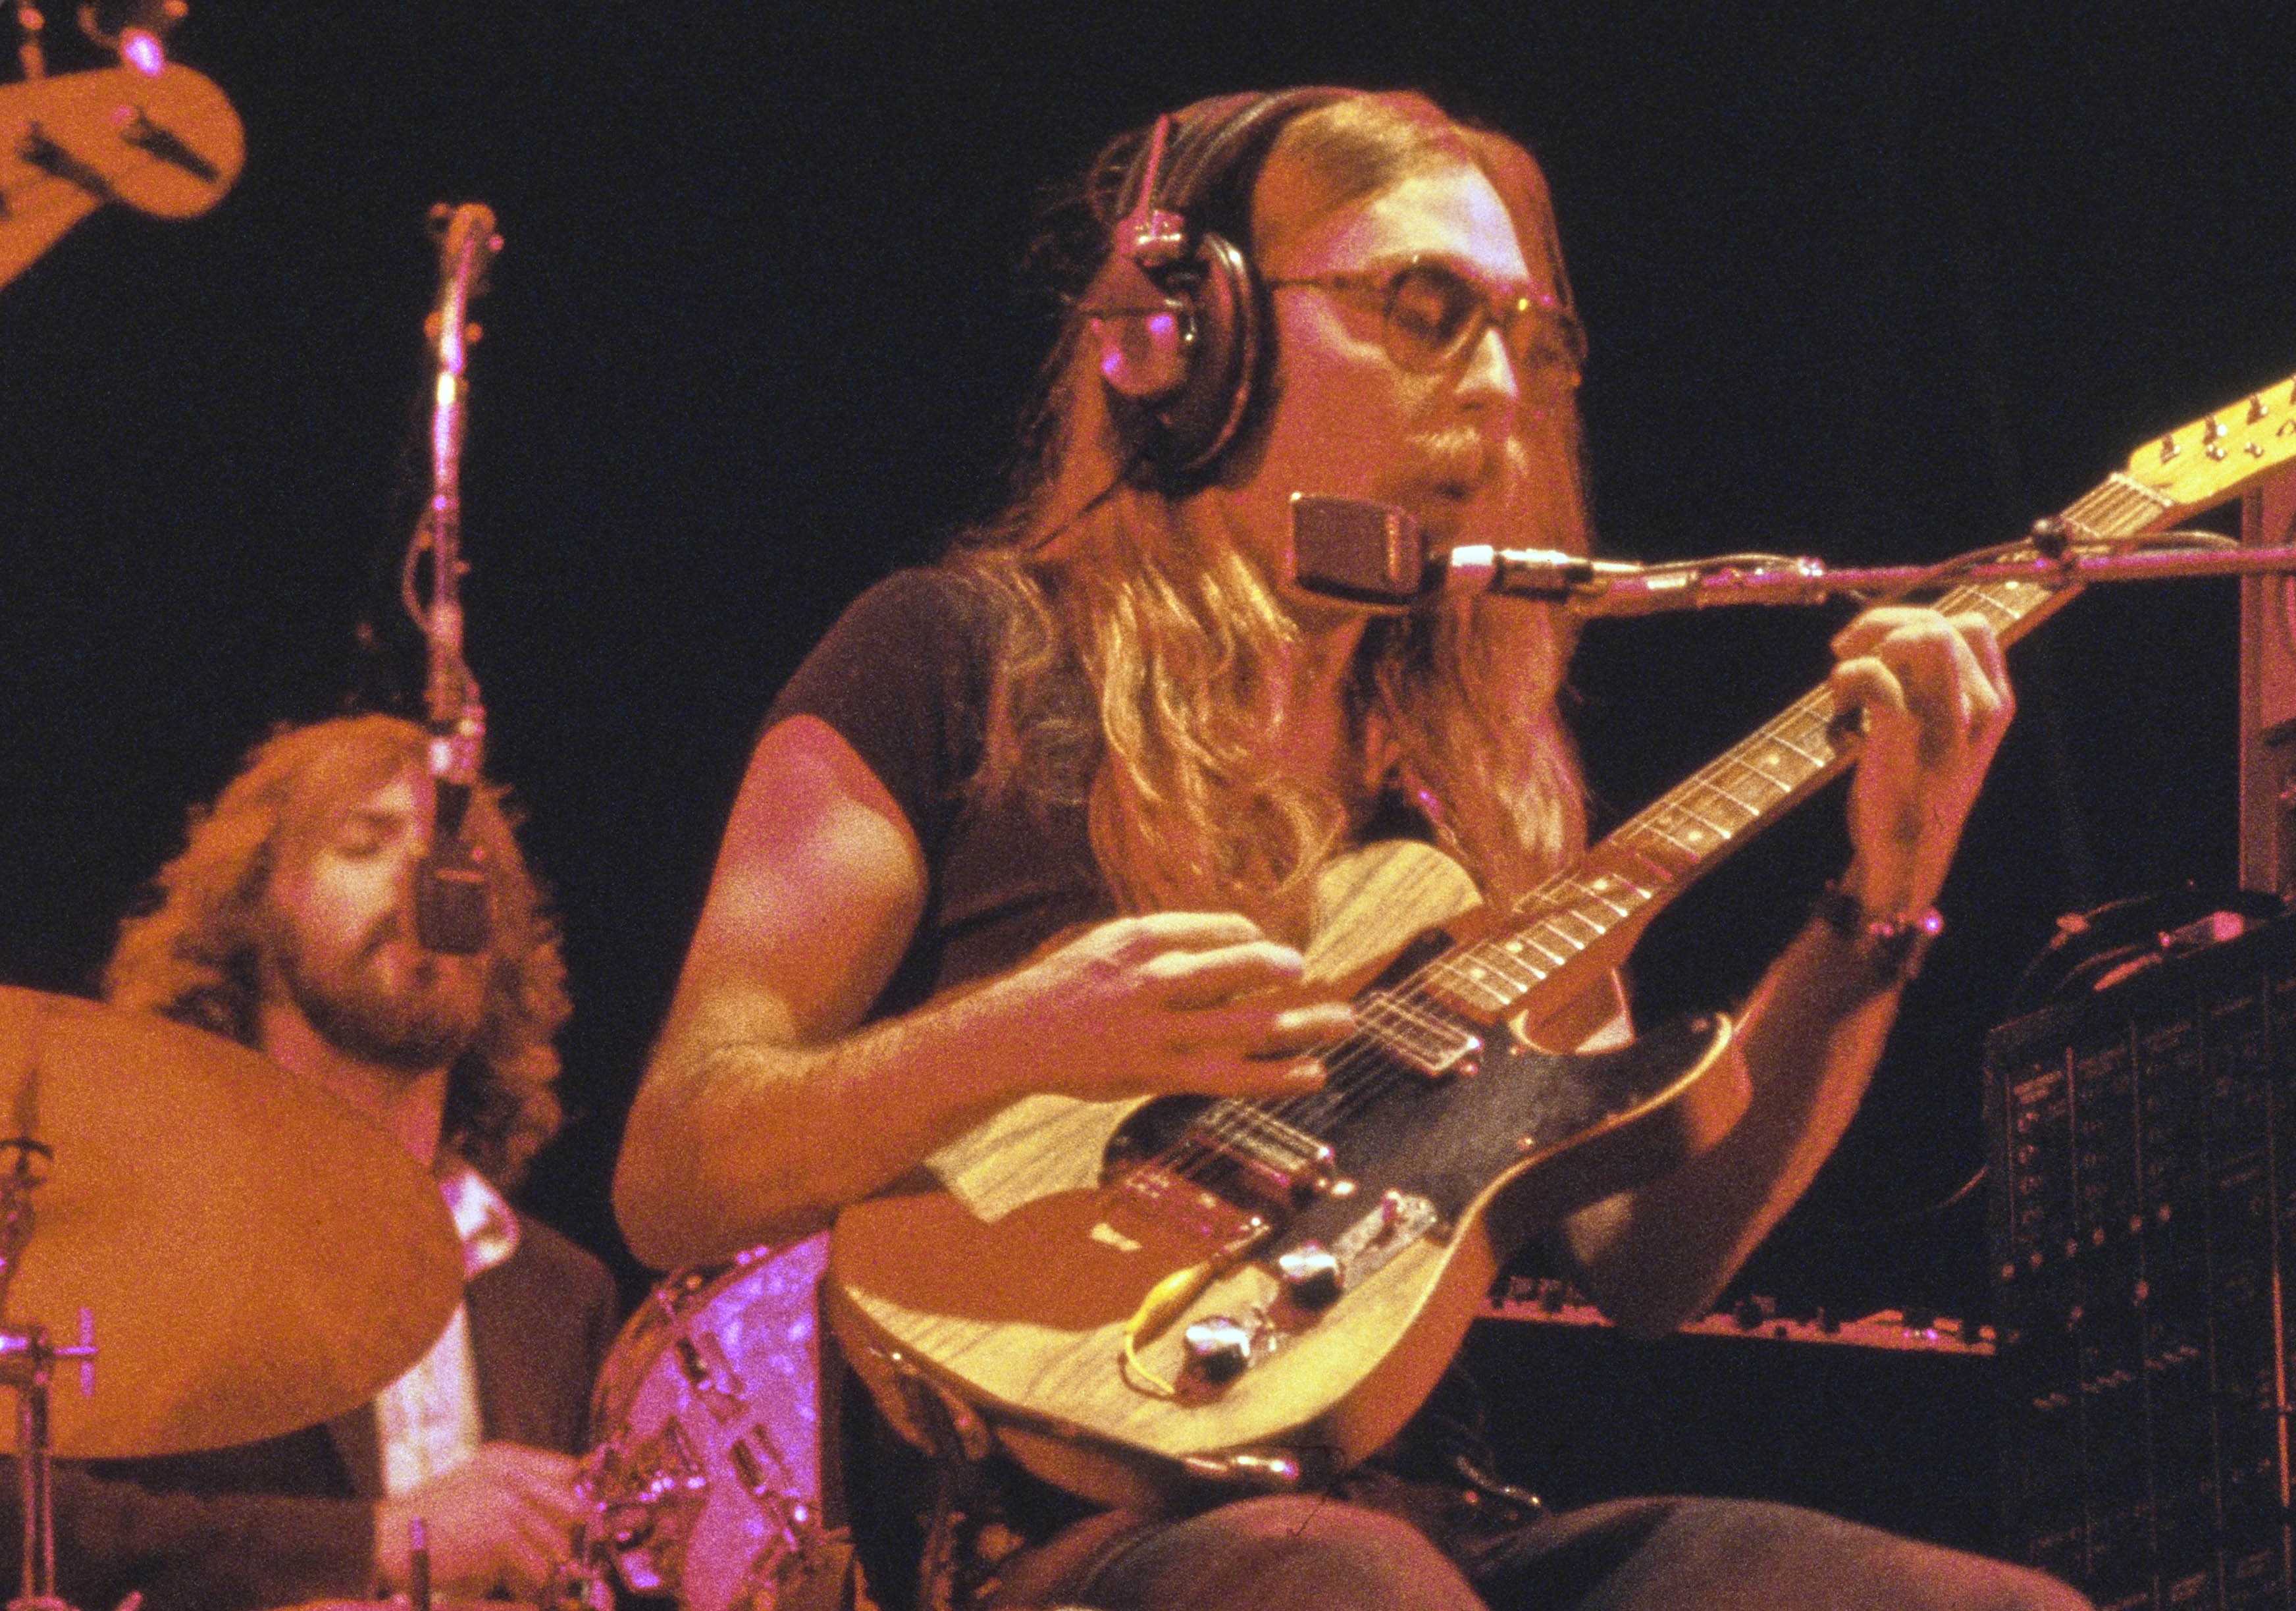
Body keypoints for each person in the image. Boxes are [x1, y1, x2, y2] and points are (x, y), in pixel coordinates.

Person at [615, 88, 2078, 1611]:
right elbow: (674, 1169)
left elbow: (1648, 1262)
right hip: (1051, 1550)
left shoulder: (1488, 787)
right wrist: (1023, 1035)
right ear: (1193, 345)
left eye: (1527, 332)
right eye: (1426, 309)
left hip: (1431, 1527)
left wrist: (1879, 901)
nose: (1498, 385)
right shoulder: (947, 659)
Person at [37, 713, 619, 1611]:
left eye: (457, 861)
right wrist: (375, 1544)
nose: (426, 880)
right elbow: (30, 1521)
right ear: (256, 910)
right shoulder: (133, 1233)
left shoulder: (561, 1295)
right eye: (366, 845)